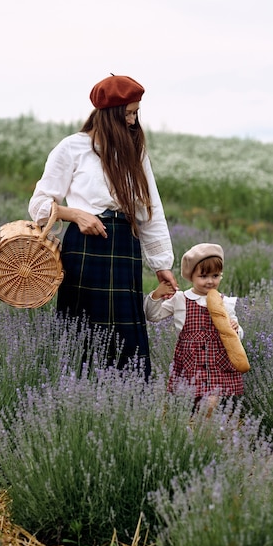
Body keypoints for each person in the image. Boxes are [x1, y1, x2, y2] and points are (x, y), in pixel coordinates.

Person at [28, 74, 178, 378]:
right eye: (128, 113)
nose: (134, 121)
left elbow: (151, 211)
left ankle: (130, 401)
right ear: (109, 114)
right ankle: (75, 395)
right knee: (82, 330)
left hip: (125, 246)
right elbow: (39, 205)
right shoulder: (72, 148)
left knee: (126, 334)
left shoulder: (135, 152)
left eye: (136, 112)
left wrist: (161, 264)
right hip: (85, 249)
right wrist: (76, 215)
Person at [144, 243, 244, 411]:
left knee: (211, 402)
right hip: (191, 361)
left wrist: (236, 328)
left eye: (215, 275)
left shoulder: (224, 302)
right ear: (191, 276)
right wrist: (156, 294)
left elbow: (236, 336)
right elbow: (153, 315)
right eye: (203, 276)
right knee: (194, 405)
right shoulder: (181, 299)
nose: (210, 281)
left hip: (217, 362)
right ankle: (199, 431)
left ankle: (206, 429)